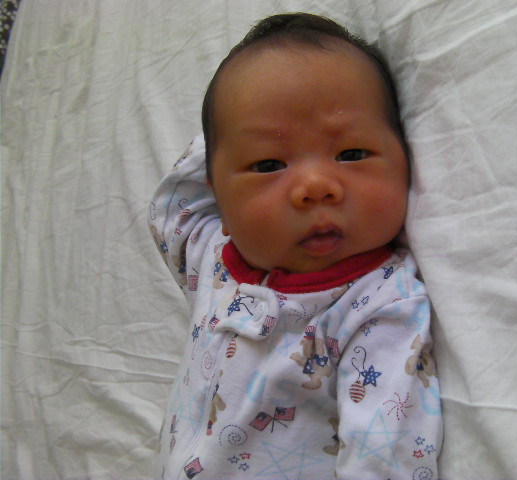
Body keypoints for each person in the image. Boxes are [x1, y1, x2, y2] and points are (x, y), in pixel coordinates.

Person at [149, 12, 442, 480]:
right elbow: (171, 209)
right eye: (268, 164)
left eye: (351, 154)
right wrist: (229, 126)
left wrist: (259, 132)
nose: (315, 186)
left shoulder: (383, 303)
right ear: (217, 193)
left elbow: (384, 452)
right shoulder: (211, 259)